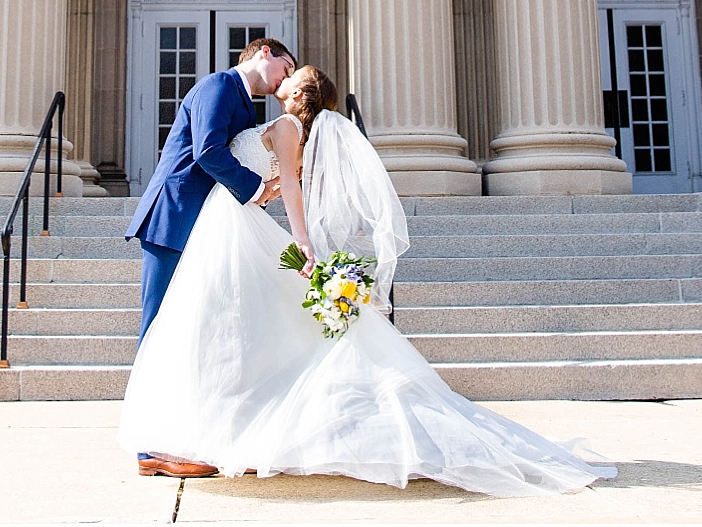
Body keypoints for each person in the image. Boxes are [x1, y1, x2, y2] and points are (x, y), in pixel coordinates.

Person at [118, 66, 615, 497]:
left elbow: (289, 185)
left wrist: (302, 240)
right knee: (218, 327)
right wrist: (262, 192)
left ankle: (200, 434)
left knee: (224, 327)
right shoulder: (268, 118)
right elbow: (267, 175)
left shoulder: (287, 126)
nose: (287, 73)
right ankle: (196, 431)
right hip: (223, 222)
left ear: (300, 93)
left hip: (231, 224)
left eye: (295, 71)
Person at [124, 36, 297, 479]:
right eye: (286, 66)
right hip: (173, 220)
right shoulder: (220, 86)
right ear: (263, 53)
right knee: (158, 327)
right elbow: (207, 151)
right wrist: (257, 190)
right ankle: (149, 448)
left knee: (185, 330)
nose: (287, 79)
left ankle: (179, 433)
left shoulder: (242, 103)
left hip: (201, 227)